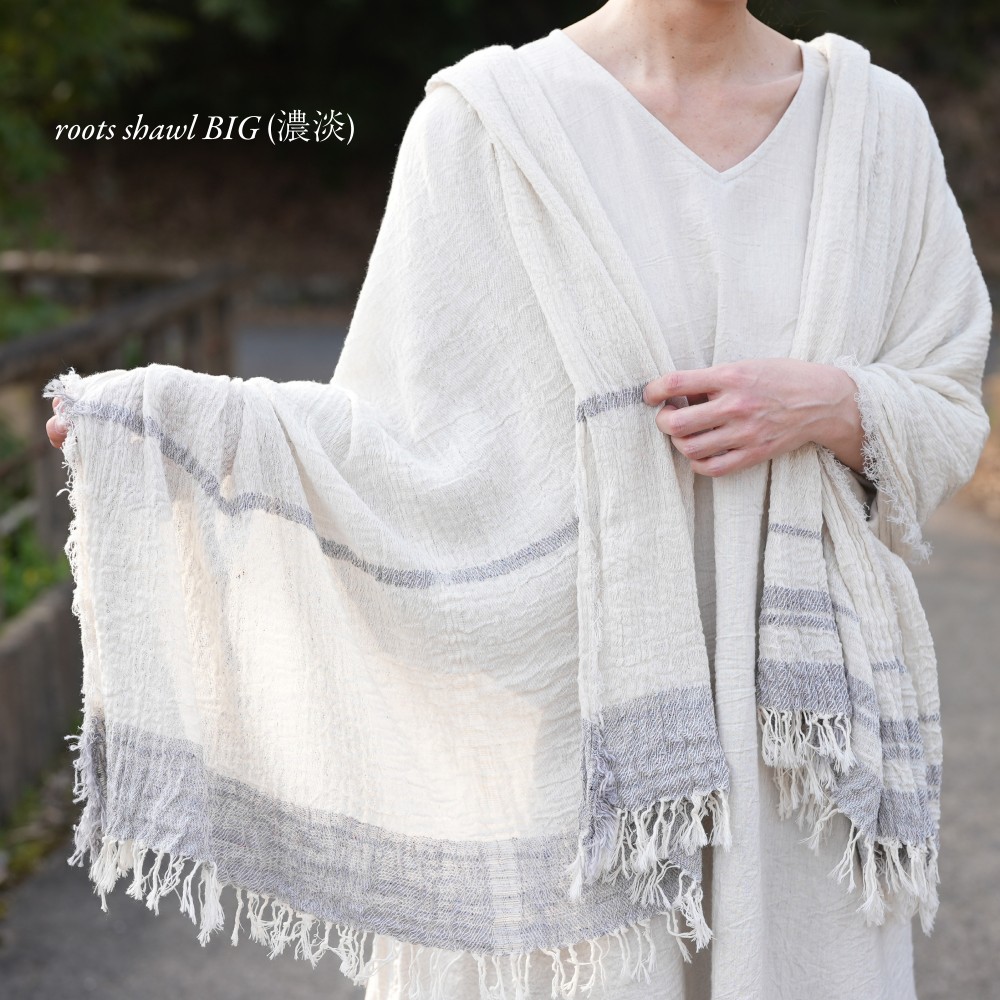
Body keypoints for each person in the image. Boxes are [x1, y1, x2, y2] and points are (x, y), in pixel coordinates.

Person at [44, 4, 986, 1000]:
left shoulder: (874, 125)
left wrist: (835, 403)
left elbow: (946, 404)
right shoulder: (489, 122)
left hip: (804, 747)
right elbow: (399, 445)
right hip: (574, 742)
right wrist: (177, 429)